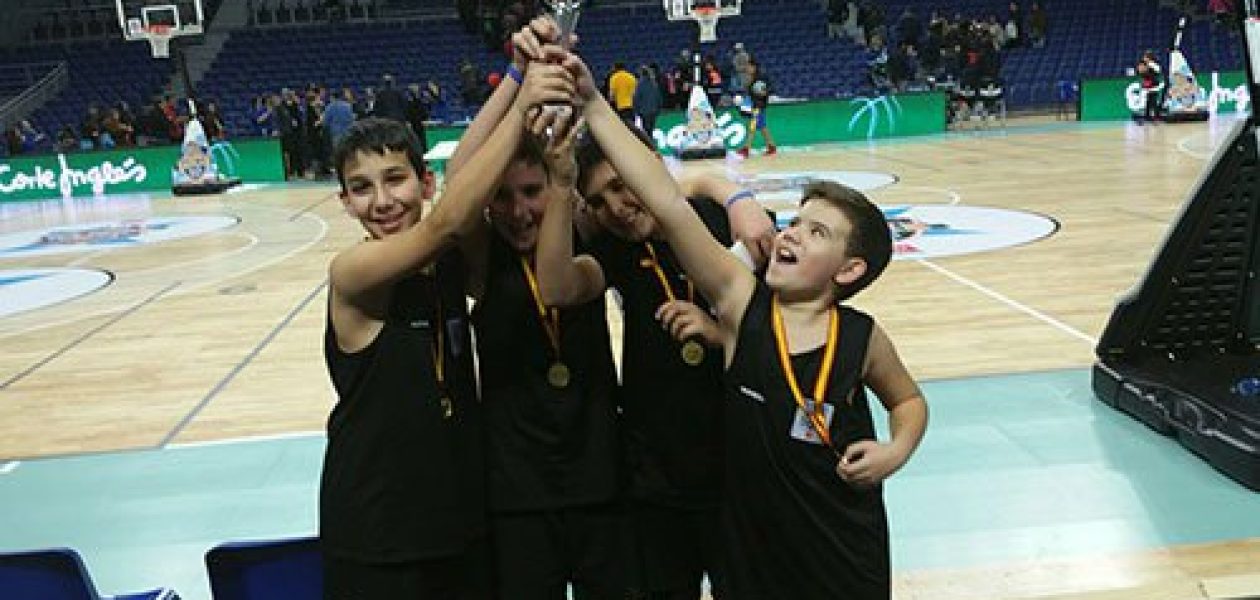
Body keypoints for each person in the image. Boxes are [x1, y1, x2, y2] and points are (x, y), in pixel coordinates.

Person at [562, 49, 928, 600]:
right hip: (756, 540)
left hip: (843, 544)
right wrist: (592, 104)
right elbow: (667, 202)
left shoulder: (861, 336)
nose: (790, 234)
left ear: (850, 269)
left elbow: (909, 401)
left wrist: (896, 450)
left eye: (816, 232)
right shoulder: (739, 303)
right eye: (795, 223)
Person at [320, 48, 575, 598]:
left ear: (425, 183)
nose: (383, 201)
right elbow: (448, 221)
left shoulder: (454, 265)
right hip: (378, 533)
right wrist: (523, 98)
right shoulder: (354, 273)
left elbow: (464, 175)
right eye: (362, 188)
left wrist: (514, 75)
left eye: (395, 179)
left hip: (459, 524)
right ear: (344, 202)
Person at [534, 121, 776, 599]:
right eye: (600, 201)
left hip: (739, 465)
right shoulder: (616, 247)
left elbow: (786, 336)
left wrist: (727, 193)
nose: (617, 209)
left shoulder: (730, 222)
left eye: (623, 186)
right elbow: (558, 288)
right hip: (657, 475)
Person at [444, 19, 625, 599]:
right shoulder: (481, 259)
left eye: (532, 192)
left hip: (599, 474)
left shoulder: (585, 236)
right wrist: (517, 80)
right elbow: (458, 178)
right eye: (504, 196)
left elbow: (653, 182)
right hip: (517, 491)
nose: (519, 210)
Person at [737, 60, 776, 158]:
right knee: (762, 127)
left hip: (758, 106)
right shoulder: (753, 78)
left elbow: (769, 89)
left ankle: (746, 149)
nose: (747, 69)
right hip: (756, 105)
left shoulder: (761, 78)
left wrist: (765, 93)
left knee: (752, 127)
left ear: (754, 67)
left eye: (749, 67)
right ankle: (771, 146)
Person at [1136, 50, 1163, 125]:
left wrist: (1150, 65)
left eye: (1146, 57)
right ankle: (1147, 117)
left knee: (1153, 100)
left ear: (1149, 57)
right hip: (1146, 84)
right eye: (1144, 56)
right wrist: (1142, 69)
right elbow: (1140, 71)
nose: (1144, 58)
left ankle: (1156, 117)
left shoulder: (1153, 64)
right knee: (1147, 101)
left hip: (1153, 84)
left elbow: (1158, 71)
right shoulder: (1142, 64)